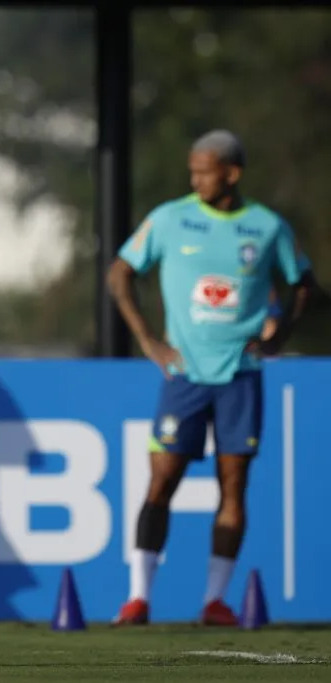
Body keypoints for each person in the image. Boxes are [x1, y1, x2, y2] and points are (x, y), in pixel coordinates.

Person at [108, 129, 315, 626]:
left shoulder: (265, 228)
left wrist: (281, 333)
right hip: (184, 375)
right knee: (162, 481)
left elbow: (303, 282)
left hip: (241, 374)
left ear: (232, 173)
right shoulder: (170, 218)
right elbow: (120, 272)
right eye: (193, 171)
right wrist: (147, 339)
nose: (196, 179)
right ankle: (138, 597)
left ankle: (214, 600)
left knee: (234, 484)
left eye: (204, 171)